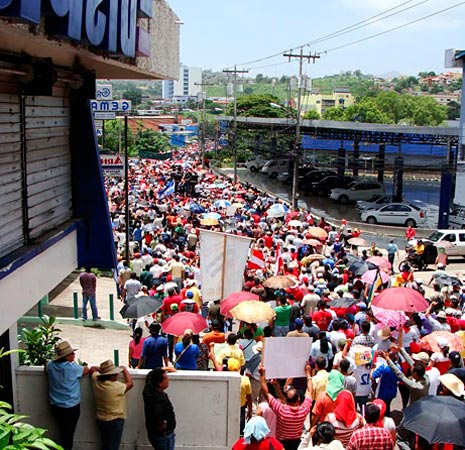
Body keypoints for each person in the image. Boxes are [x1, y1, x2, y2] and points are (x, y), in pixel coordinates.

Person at [45, 341, 91, 450]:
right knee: (68, 435)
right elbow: (87, 370)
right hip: (71, 408)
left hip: (56, 406)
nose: (74, 355)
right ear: (66, 357)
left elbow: (46, 363)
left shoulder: (51, 366)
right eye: (71, 354)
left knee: (63, 433)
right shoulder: (72, 368)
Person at [259, 363, 313, 450]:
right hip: (296, 443)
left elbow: (266, 394)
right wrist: (308, 374)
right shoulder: (304, 410)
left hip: (280, 443)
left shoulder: (281, 410)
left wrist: (262, 376)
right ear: (298, 399)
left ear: (286, 400)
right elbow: (310, 391)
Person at [90, 360, 133, 450]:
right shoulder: (117, 387)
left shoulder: (96, 381)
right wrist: (125, 370)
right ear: (111, 376)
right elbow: (130, 383)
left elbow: (92, 368)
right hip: (115, 420)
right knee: (113, 446)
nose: (117, 375)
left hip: (101, 418)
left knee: (105, 444)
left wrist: (103, 371)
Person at [143, 366, 177, 450]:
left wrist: (163, 369)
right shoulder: (160, 399)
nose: (168, 380)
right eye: (165, 378)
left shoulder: (148, 390)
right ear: (159, 383)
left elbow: (151, 374)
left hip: (152, 433)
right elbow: (158, 414)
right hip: (163, 435)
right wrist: (163, 423)